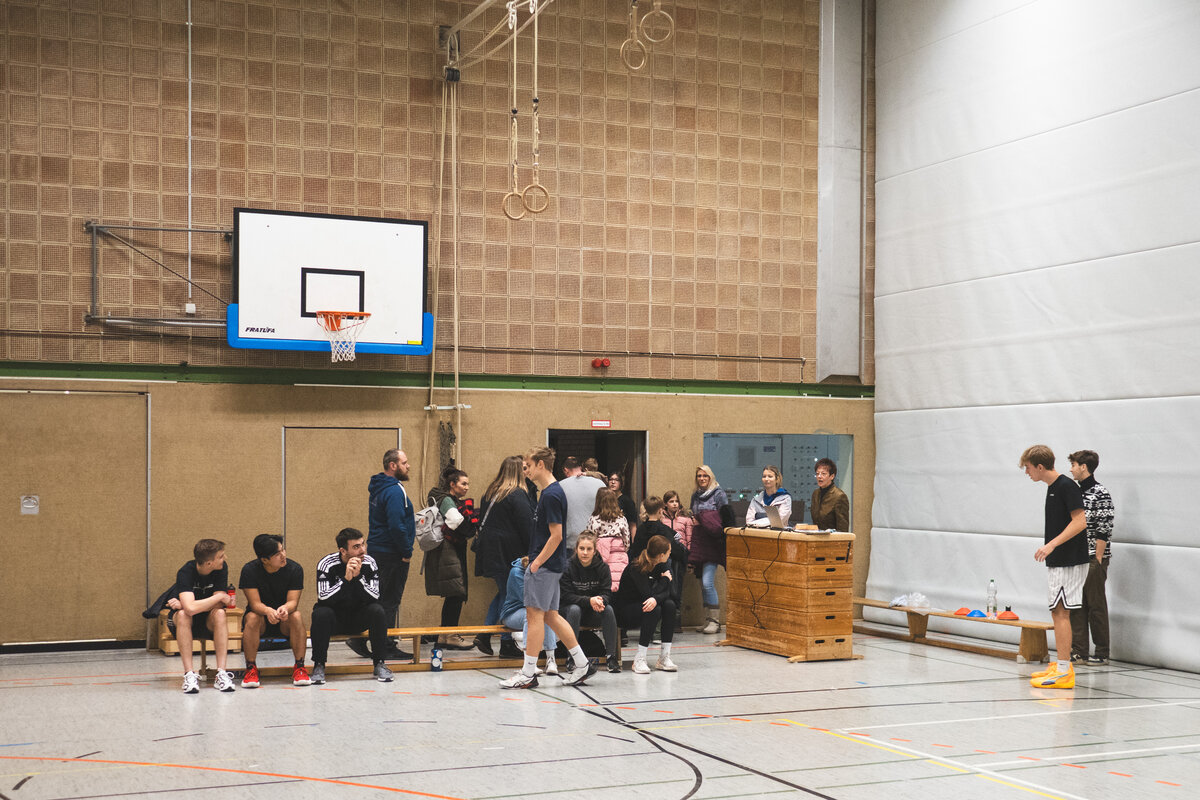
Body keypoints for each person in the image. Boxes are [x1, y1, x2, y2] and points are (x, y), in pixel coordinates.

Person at [499, 446, 596, 689]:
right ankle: (582, 664)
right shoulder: (551, 492)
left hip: (544, 566)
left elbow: (556, 535)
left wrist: (536, 563)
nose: (526, 471)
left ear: (540, 464)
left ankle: (527, 673)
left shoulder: (551, 495)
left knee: (534, 617)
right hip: (552, 565)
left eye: (528, 466)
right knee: (551, 616)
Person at [1020, 445, 1088, 689]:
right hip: (1060, 560)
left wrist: (1051, 545)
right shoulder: (1053, 488)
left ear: (1040, 466)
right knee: (1057, 612)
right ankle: (1061, 666)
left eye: (1028, 468)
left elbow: (1080, 521)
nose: (1026, 472)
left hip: (1069, 560)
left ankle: (1063, 671)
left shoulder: (1066, 486)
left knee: (1061, 613)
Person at [310, 527, 394, 685]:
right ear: (343, 551)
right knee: (321, 613)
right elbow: (323, 597)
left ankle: (379, 663)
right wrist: (345, 579)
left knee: (377, 611)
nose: (362, 550)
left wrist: (358, 578)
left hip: (358, 618)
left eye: (363, 544)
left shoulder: (369, 562)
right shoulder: (326, 563)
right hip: (335, 619)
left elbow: (375, 596)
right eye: (356, 547)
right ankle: (319, 665)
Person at [474, 455, 533, 658]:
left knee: (503, 592)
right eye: (524, 468)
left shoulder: (490, 492)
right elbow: (527, 526)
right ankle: (506, 642)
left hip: (490, 551)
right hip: (507, 552)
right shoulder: (517, 494)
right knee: (508, 596)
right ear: (518, 471)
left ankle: (485, 634)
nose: (527, 472)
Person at [238, 534, 310, 688]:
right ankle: (251, 669)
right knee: (252, 617)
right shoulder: (249, 570)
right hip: (261, 620)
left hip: (285, 620)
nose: (283, 555)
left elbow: (293, 602)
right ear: (264, 560)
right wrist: (267, 611)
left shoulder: (295, 569)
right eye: (277, 554)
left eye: (283, 550)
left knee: (296, 615)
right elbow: (255, 603)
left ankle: (300, 667)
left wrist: (285, 608)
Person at [363, 448, 415, 660]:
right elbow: (396, 525)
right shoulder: (394, 490)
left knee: (378, 597)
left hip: (378, 550)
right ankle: (386, 646)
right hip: (392, 553)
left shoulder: (379, 487)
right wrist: (406, 551)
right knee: (390, 601)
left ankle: (361, 638)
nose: (408, 466)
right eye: (404, 462)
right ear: (393, 465)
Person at [1068, 449, 1116, 666]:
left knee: (1095, 604)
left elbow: (1104, 529)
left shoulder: (1100, 493)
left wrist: (1097, 558)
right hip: (1076, 558)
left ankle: (1102, 652)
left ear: (1083, 467)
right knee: (1077, 604)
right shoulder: (1075, 492)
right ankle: (1079, 651)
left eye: (1073, 465)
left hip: (1093, 558)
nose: (1071, 469)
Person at [173, 538, 237, 694]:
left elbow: (217, 605)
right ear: (209, 563)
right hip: (185, 622)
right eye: (221, 556)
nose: (225, 558)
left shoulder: (221, 568)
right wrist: (218, 597)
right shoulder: (186, 572)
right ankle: (189, 674)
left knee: (220, 613)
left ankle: (221, 673)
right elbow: (190, 610)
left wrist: (193, 605)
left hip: (209, 618)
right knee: (182, 614)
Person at [424, 466, 478, 650]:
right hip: (450, 550)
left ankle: (443, 636)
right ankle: (451, 636)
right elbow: (455, 521)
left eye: (468, 484)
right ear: (452, 484)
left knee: (453, 593)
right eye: (463, 484)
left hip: (445, 550)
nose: (467, 487)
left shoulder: (442, 498)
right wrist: (471, 530)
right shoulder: (447, 499)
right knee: (456, 592)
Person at [559, 531, 621, 673]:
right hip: (570, 613)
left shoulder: (603, 568)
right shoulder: (567, 567)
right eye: (582, 548)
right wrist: (589, 600)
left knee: (608, 609)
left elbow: (607, 593)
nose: (585, 553)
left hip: (593, 611)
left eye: (589, 549)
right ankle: (571, 658)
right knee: (574, 609)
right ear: (576, 549)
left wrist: (600, 601)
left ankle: (611, 657)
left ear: (594, 551)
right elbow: (566, 596)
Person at [616, 534, 678, 674]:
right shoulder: (636, 567)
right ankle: (639, 658)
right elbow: (647, 594)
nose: (670, 554)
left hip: (645, 605)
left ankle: (664, 657)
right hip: (626, 611)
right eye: (668, 552)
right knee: (654, 609)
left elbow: (670, 593)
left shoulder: (662, 565)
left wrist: (656, 597)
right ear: (661, 555)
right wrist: (664, 581)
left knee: (669, 605)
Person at [630, 496, 688, 635]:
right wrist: (685, 555)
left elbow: (635, 550)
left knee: (648, 597)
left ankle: (650, 629)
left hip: (643, 571)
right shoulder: (664, 530)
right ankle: (659, 630)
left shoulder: (641, 530)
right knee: (666, 597)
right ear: (661, 510)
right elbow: (676, 549)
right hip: (662, 571)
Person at [690, 465, 734, 635]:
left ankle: (715, 621)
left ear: (710, 477)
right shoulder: (695, 495)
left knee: (708, 583)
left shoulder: (718, 493)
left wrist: (704, 520)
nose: (702, 479)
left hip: (713, 544)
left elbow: (725, 518)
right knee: (702, 584)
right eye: (699, 476)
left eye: (705, 476)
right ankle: (707, 619)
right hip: (699, 543)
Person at [499, 556, 559, 676]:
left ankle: (551, 660)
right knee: (531, 616)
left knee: (546, 614)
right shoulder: (516, 572)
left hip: (537, 608)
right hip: (513, 612)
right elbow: (527, 599)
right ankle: (530, 663)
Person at [586, 488, 631, 592]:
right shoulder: (621, 518)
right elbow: (627, 540)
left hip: (600, 556)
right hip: (619, 557)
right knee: (620, 585)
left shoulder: (594, 519)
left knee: (603, 586)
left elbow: (590, 539)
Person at [557, 456, 605, 555]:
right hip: (596, 543)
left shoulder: (559, 487)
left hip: (570, 544)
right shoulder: (600, 485)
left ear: (565, 470)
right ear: (581, 467)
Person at [661, 490, 694, 633]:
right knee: (665, 588)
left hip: (680, 557)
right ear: (665, 504)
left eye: (676, 501)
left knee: (677, 589)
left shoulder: (685, 519)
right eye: (671, 501)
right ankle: (665, 621)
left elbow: (690, 540)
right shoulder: (661, 519)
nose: (674, 504)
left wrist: (690, 561)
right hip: (665, 557)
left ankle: (676, 621)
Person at [811, 458, 850, 531]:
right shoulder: (815, 494)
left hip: (832, 537)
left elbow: (843, 528)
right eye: (817, 473)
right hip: (817, 536)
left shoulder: (839, 496)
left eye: (823, 474)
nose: (819, 476)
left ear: (832, 476)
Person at [607, 472, 639, 539]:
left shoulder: (627, 501)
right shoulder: (605, 500)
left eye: (616, 480)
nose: (613, 482)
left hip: (623, 538)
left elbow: (632, 524)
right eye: (611, 479)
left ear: (621, 483)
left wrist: (634, 542)